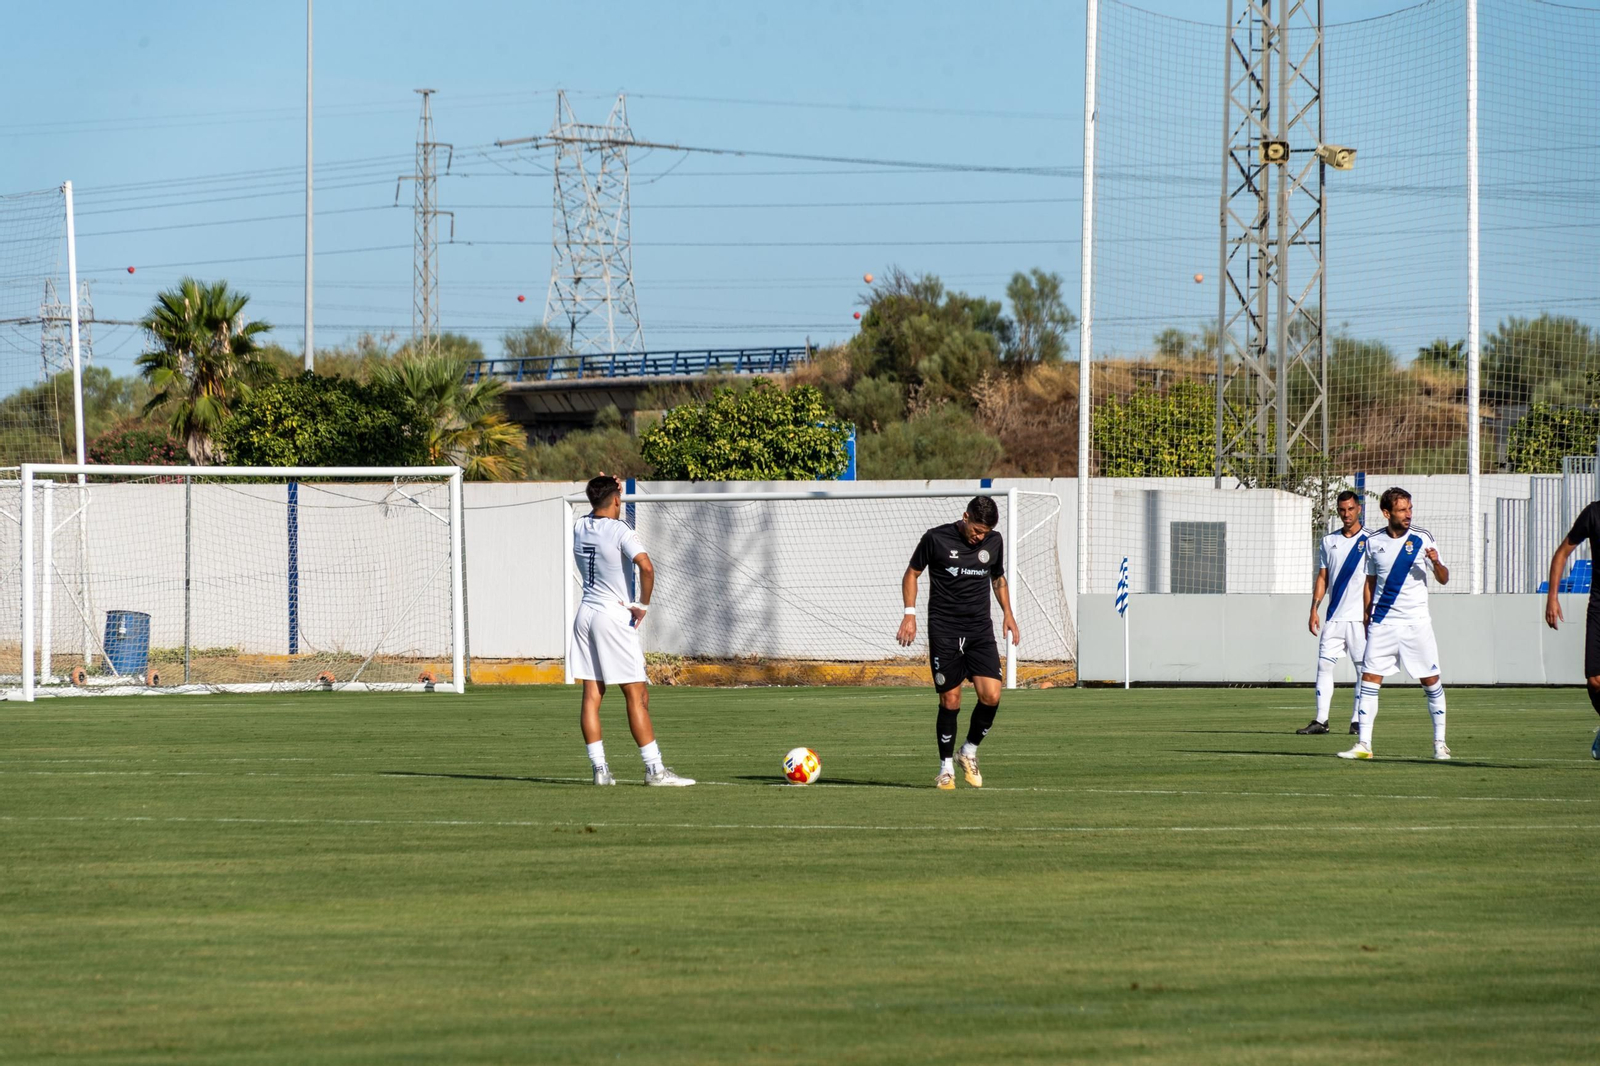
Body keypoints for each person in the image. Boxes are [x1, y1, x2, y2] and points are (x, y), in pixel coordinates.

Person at [570, 474, 693, 786]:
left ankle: (600, 771)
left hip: (585, 614)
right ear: (615, 500)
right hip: (613, 615)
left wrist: (606, 486)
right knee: (635, 694)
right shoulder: (620, 528)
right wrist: (643, 604)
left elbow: (600, 504)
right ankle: (655, 771)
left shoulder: (579, 526)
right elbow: (647, 566)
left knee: (592, 695)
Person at [896, 495, 1020, 790]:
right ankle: (945, 768)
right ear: (965, 517)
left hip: (979, 629)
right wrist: (909, 615)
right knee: (950, 699)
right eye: (977, 530)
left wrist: (1008, 613)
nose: (980, 538)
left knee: (991, 695)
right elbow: (912, 573)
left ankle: (969, 751)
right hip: (945, 629)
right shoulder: (935, 538)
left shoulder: (994, 542)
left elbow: (998, 577)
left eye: (985, 533)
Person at [1338, 487, 1451, 761]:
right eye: (1402, 510)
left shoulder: (1422, 539)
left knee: (1431, 680)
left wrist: (1436, 564)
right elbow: (1370, 581)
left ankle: (1440, 743)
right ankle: (1364, 744)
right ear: (1387, 513)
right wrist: (1367, 615)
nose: (1408, 514)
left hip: (1416, 624)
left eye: (1410, 509)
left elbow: (1445, 578)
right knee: (1369, 679)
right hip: (1383, 623)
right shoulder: (1373, 542)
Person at [1297, 490, 1368, 736]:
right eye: (1342, 510)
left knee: (1363, 670)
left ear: (1359, 509)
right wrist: (1314, 608)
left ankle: (1358, 720)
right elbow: (1323, 576)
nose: (1346, 514)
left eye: (1350, 509)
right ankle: (1321, 720)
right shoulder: (1329, 541)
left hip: (1360, 620)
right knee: (1324, 666)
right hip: (1335, 617)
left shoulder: (1371, 540)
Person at [1542, 501, 1600, 760]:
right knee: (1594, 682)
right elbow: (1562, 553)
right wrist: (1552, 597)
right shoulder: (1594, 513)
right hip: (1599, 607)